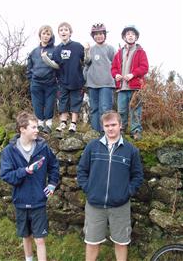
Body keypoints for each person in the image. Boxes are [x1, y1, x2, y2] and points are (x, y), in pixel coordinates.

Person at [77, 110, 143, 261]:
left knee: (121, 242)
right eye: (107, 125)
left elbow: (137, 176)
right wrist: (88, 189)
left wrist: (127, 192)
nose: (110, 128)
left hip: (120, 206)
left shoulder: (131, 150)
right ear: (103, 127)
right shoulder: (92, 147)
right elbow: (82, 170)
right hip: (95, 204)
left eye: (113, 124)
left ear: (120, 125)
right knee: (92, 242)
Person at [0, 111, 59, 261]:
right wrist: (24, 171)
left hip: (39, 201)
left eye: (37, 127)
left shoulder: (43, 148)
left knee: (39, 239)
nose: (37, 130)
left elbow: (54, 166)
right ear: (22, 129)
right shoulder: (9, 151)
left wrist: (52, 184)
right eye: (33, 127)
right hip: (20, 201)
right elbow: (6, 175)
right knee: (26, 236)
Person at [42, 22, 87, 133]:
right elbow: (56, 65)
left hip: (77, 80)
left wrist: (87, 50)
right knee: (63, 102)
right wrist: (46, 59)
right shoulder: (57, 49)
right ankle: (63, 123)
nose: (63, 32)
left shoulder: (78, 46)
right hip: (62, 80)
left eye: (66, 30)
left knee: (76, 102)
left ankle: (73, 124)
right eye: (61, 30)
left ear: (70, 32)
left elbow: (86, 61)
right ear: (58, 33)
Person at [111, 25, 149, 140]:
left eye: (133, 34)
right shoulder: (118, 53)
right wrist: (116, 74)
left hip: (135, 87)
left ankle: (136, 131)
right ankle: (121, 130)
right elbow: (113, 68)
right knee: (121, 110)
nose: (130, 36)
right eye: (128, 34)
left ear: (136, 37)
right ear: (124, 37)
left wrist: (133, 74)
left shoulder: (140, 52)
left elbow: (144, 67)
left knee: (135, 110)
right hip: (122, 88)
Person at [84, 23, 116, 132]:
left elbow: (116, 64)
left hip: (107, 83)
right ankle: (95, 132)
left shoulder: (110, 48)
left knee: (105, 109)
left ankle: (105, 132)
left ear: (105, 35)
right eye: (96, 34)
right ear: (93, 36)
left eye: (101, 34)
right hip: (92, 83)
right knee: (94, 109)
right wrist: (86, 51)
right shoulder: (91, 49)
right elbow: (86, 63)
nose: (99, 36)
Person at [26, 25, 58, 134]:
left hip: (50, 83)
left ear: (51, 36)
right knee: (37, 103)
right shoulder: (34, 52)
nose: (45, 36)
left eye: (48, 34)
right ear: (40, 35)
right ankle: (39, 124)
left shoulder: (55, 49)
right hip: (36, 83)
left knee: (49, 104)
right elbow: (29, 68)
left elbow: (59, 66)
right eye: (44, 33)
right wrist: (31, 79)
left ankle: (48, 125)